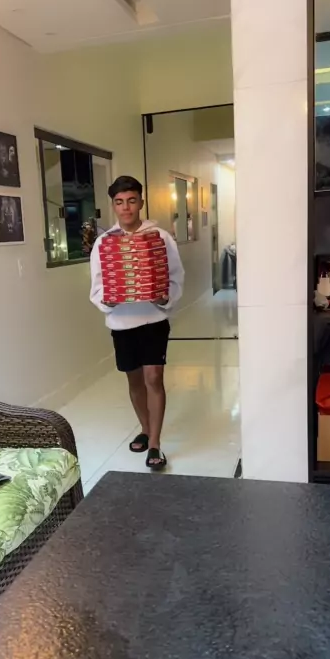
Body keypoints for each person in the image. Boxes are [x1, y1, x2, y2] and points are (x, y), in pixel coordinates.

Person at [90, 175, 185, 469]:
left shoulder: (160, 238)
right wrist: (107, 301)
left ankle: (154, 443)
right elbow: (97, 285)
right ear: (113, 206)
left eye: (131, 200)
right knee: (134, 381)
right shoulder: (104, 243)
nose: (126, 207)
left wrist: (164, 298)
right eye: (119, 202)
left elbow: (176, 276)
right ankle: (145, 428)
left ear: (141, 202)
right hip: (121, 323)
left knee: (153, 378)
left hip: (153, 319)